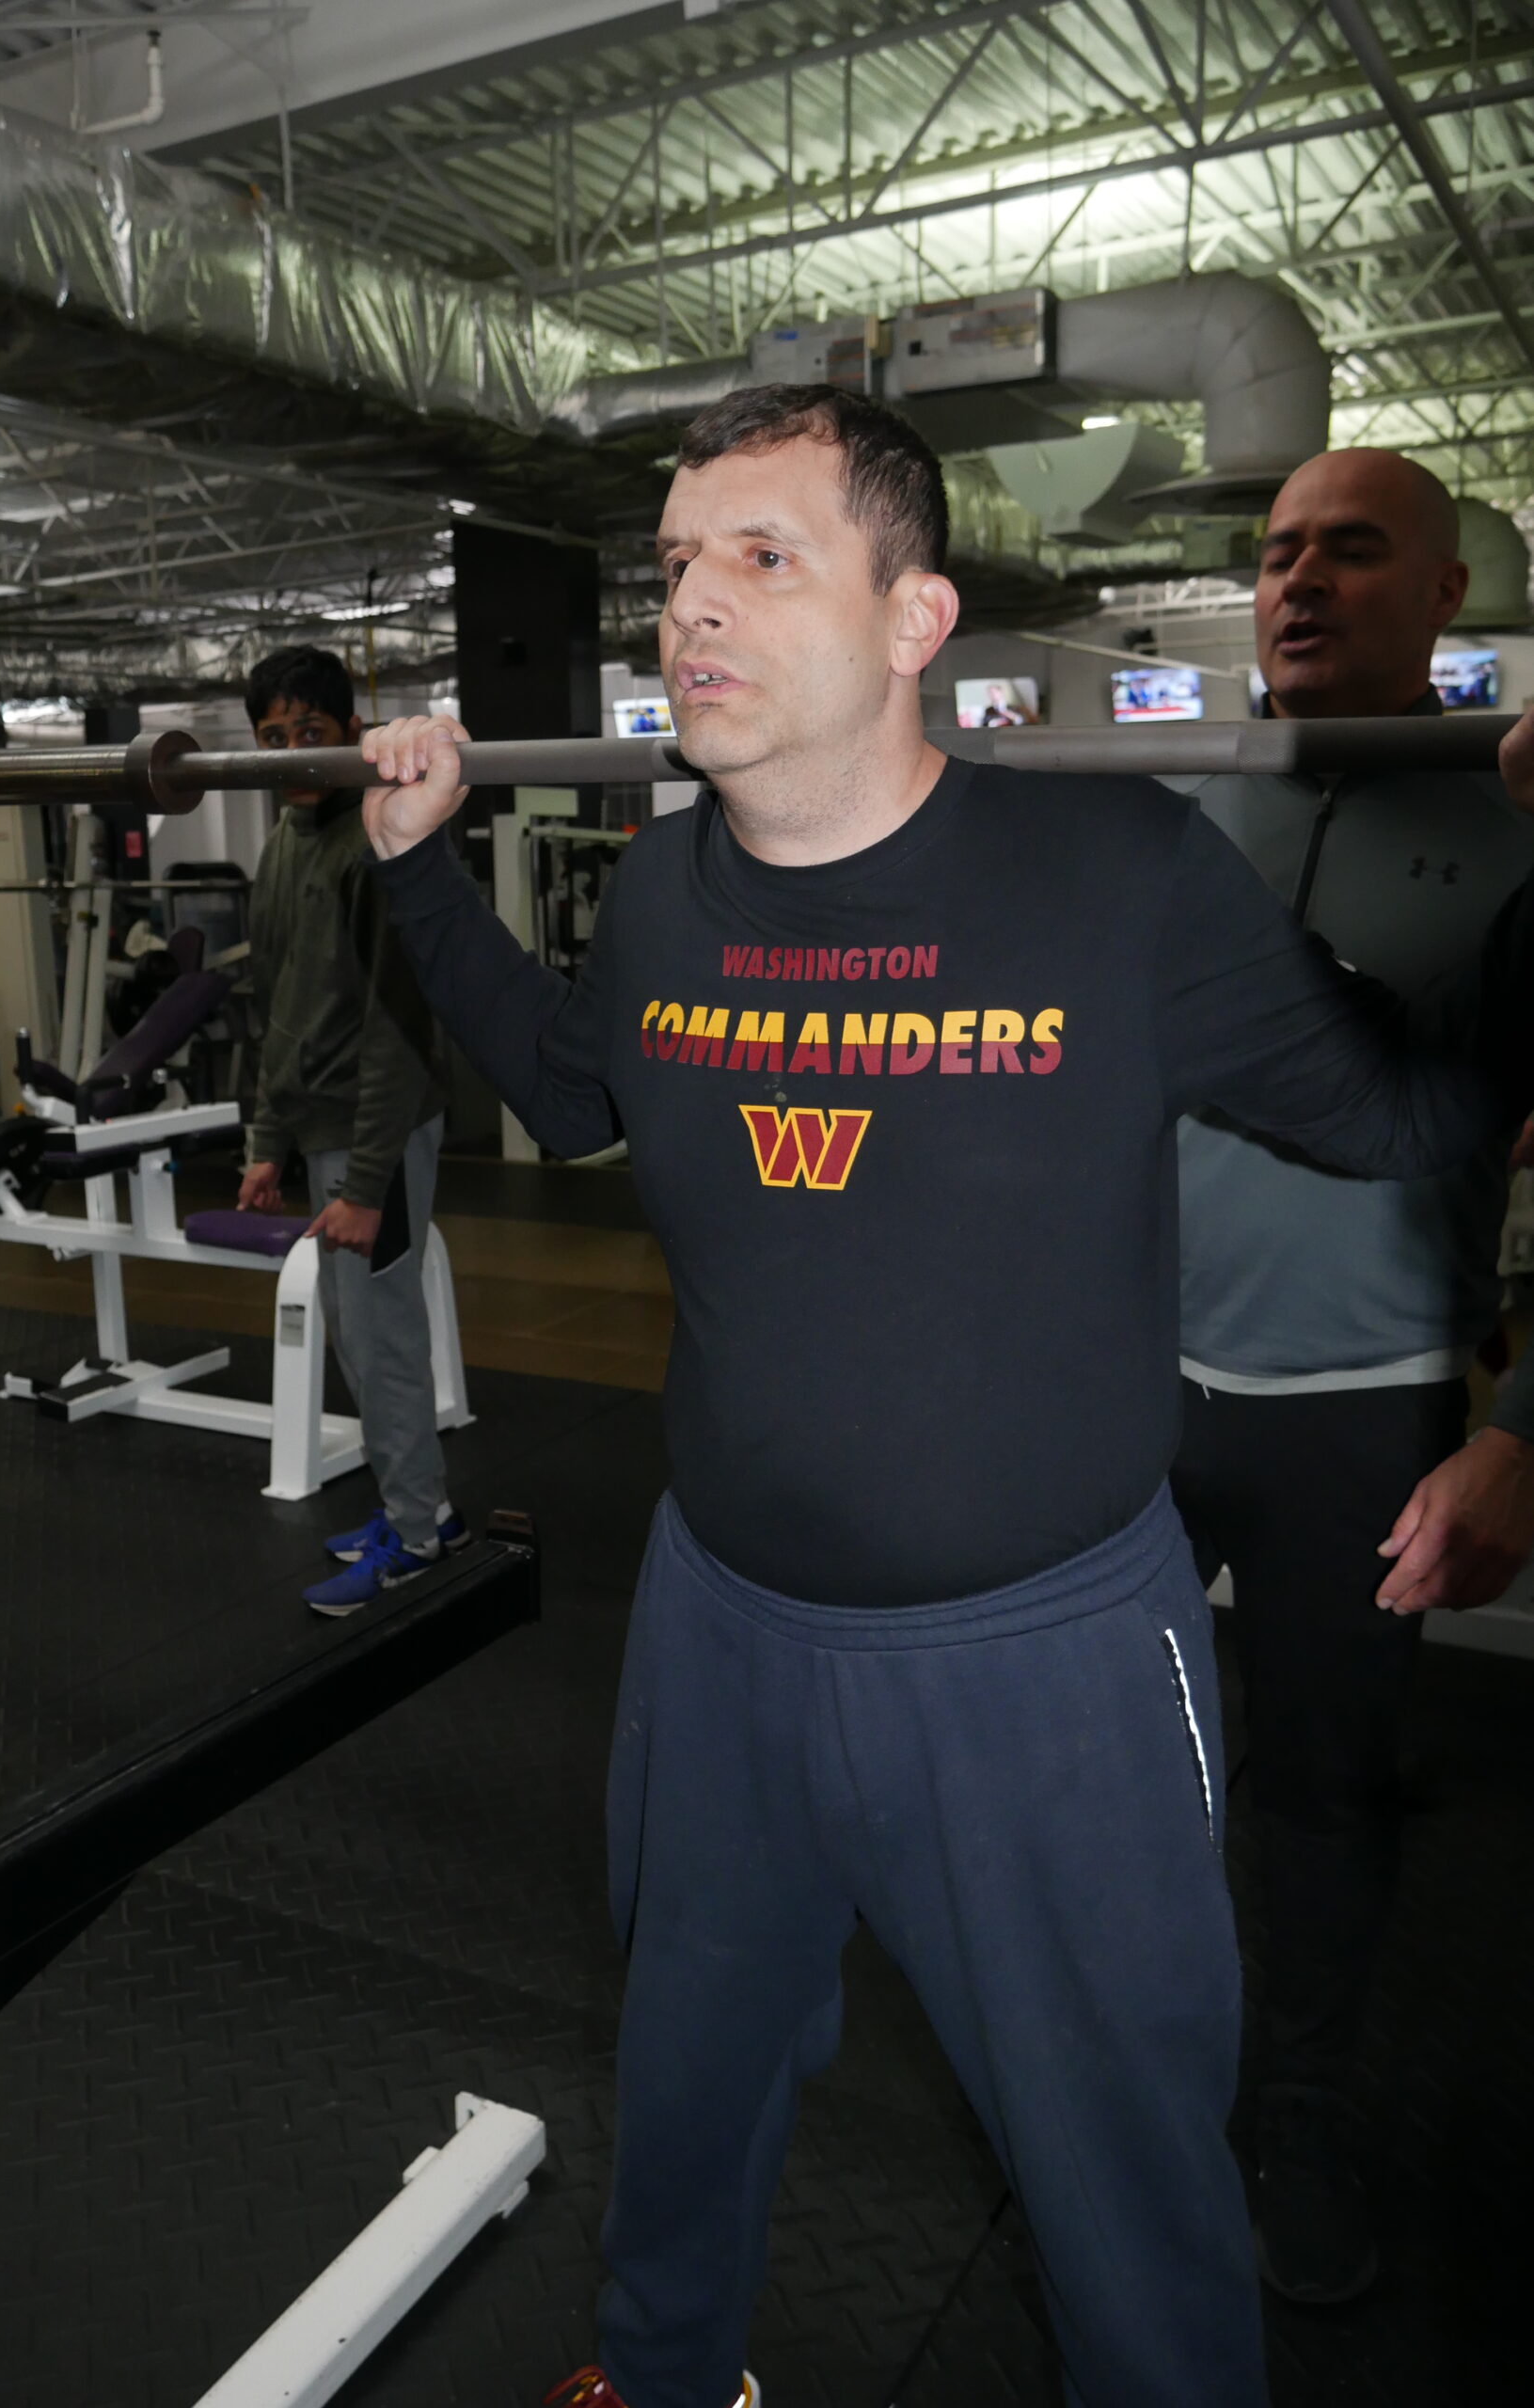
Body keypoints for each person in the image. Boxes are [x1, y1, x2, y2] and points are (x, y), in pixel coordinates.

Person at [356, 387, 1534, 2408]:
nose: (690, 611)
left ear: (917, 619)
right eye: (671, 570)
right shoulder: (657, 896)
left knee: (1119, 2160)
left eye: (761, 557)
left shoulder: (1121, 881)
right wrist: (414, 871)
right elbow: (564, 1088)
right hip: (725, 1630)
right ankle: (663, 2369)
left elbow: (1420, 1106)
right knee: (694, 2064)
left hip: (1045, 1664)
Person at [1164, 450, 1534, 2305]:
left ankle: (1294, 2110)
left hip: (1364, 1403)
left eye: (1350, 549)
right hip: (1138, 1387)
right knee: (1102, 1766)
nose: (1298, 582)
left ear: (1445, 594)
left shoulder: (1522, 825)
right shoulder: (1181, 805)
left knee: (1313, 1795)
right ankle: (1138, 2078)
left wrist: (1519, 1434)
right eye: (1275, 553)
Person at [233, 643, 466, 1612]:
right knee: (355, 1336)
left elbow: (398, 1030)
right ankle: (421, 1508)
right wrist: (263, 1141)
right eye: (272, 738)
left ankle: (417, 1536)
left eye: (311, 735)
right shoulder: (283, 844)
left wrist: (365, 1183)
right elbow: (274, 1001)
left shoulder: (378, 846)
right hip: (323, 1131)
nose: (291, 756)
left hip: (381, 1132)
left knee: (382, 1342)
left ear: (349, 736)